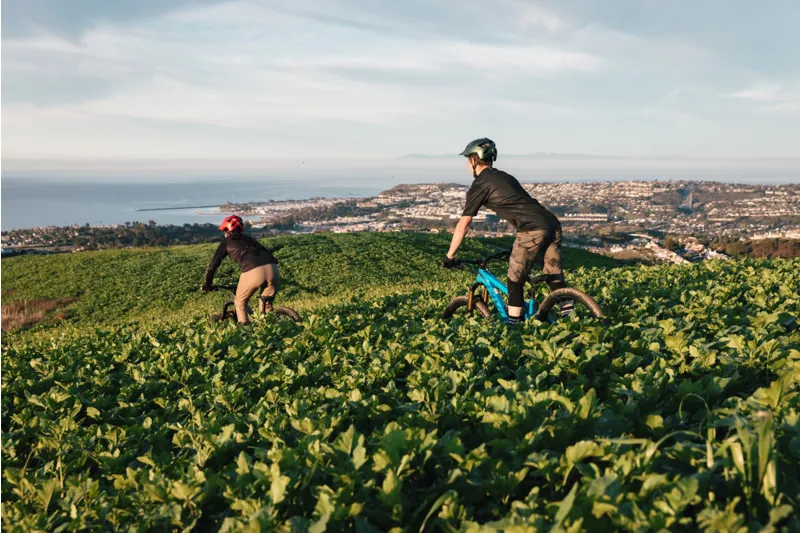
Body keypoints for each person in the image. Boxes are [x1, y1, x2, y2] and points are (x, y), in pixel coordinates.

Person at [442, 138, 571, 324]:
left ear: (474, 160)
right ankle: (572, 318)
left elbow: (463, 225)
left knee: (515, 280)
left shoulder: (480, 184)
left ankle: (514, 327)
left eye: (467, 160)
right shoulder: (504, 176)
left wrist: (450, 256)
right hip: (551, 224)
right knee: (553, 274)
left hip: (532, 229)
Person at [201, 215, 280, 324]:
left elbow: (213, 265)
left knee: (239, 303)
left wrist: (207, 283)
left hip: (254, 271)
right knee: (266, 306)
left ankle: (246, 334)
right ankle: (275, 327)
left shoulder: (226, 242)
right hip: (273, 268)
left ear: (226, 231)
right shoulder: (250, 239)